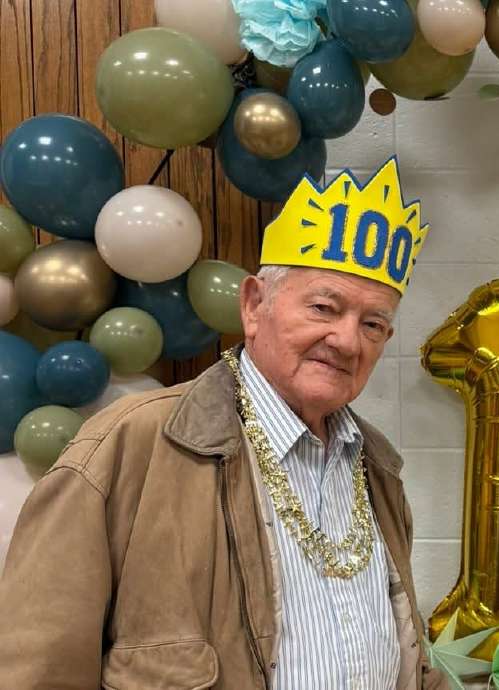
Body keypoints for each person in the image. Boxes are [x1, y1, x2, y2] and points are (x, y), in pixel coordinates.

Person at [0, 158, 443, 689]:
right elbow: (38, 669)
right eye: (324, 308)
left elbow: (404, 660)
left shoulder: (379, 469)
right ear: (254, 305)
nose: (347, 340)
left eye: (372, 324)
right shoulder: (127, 446)